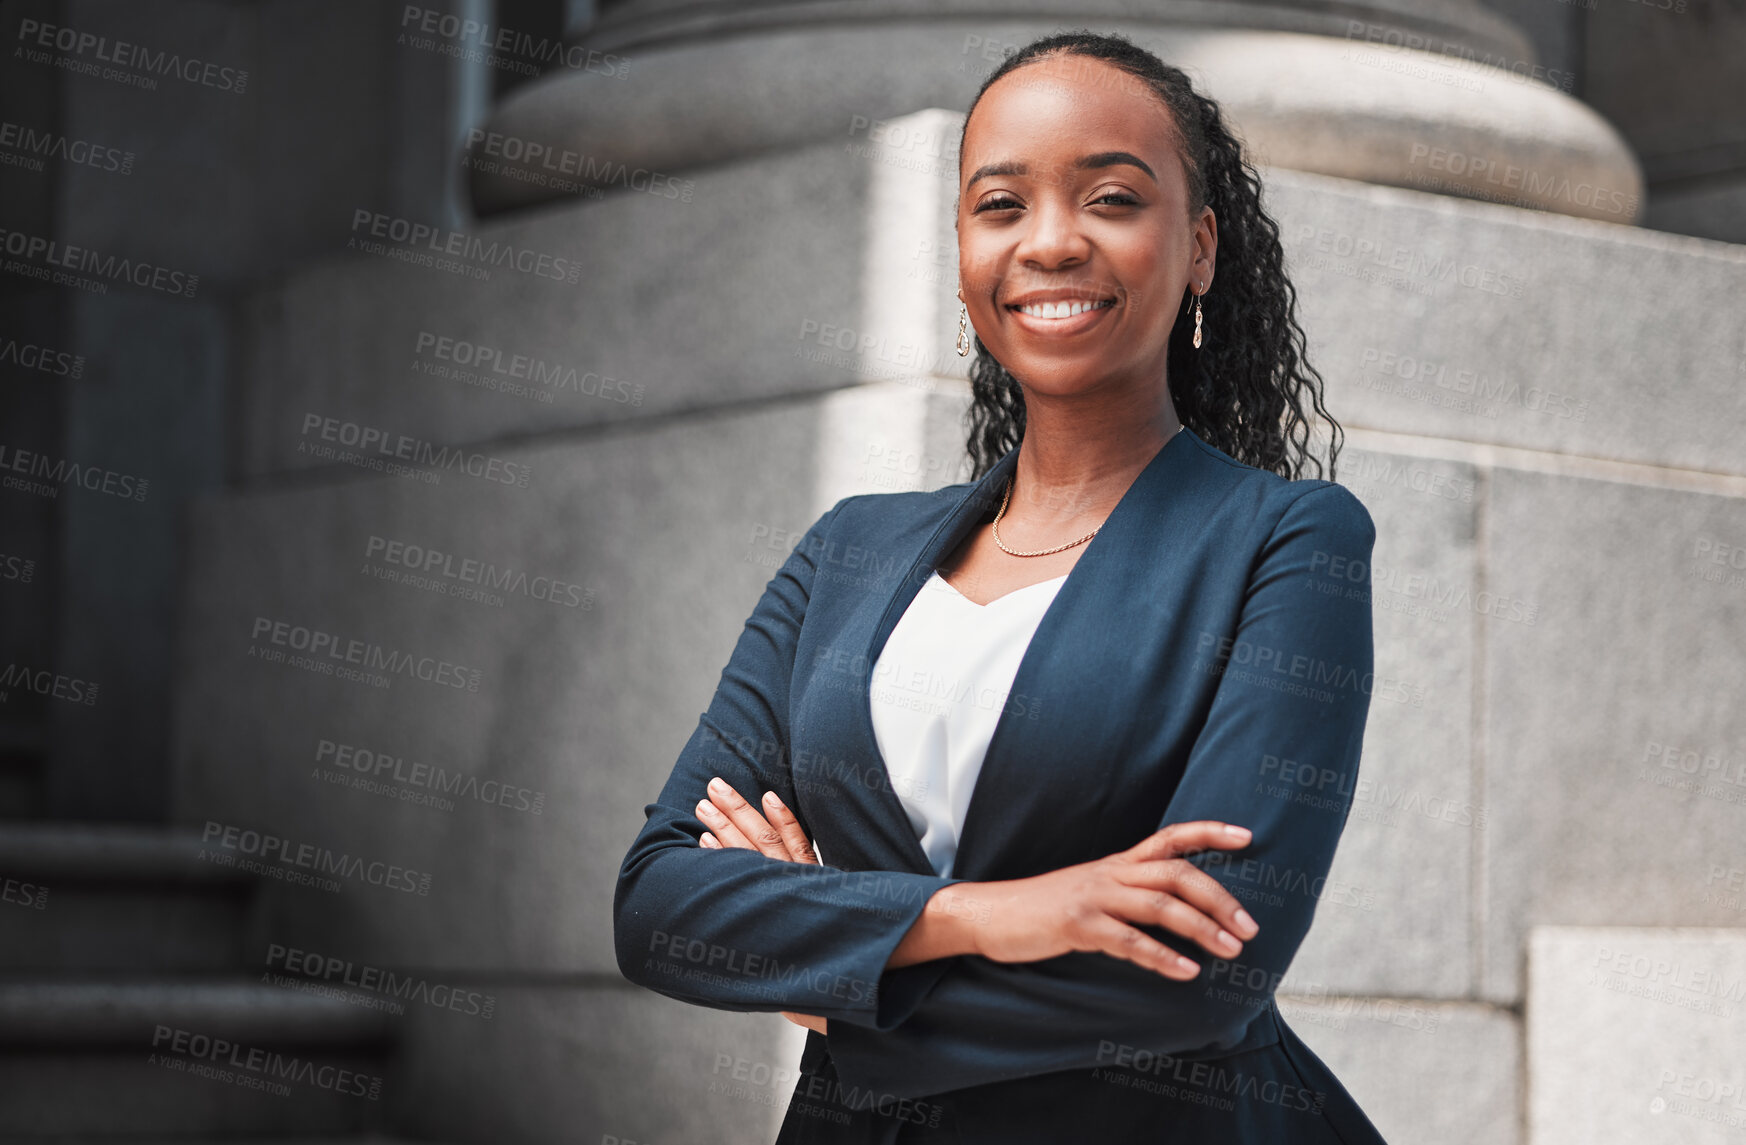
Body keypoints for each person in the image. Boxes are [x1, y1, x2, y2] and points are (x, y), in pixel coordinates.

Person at [614, 28, 1390, 1144]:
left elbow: (1207, 968)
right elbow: (659, 906)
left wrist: (836, 966)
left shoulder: (1286, 540)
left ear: (1201, 246)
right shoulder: (850, 550)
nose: (1053, 241)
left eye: (1113, 198)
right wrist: (994, 914)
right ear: (966, 252)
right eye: (1000, 204)